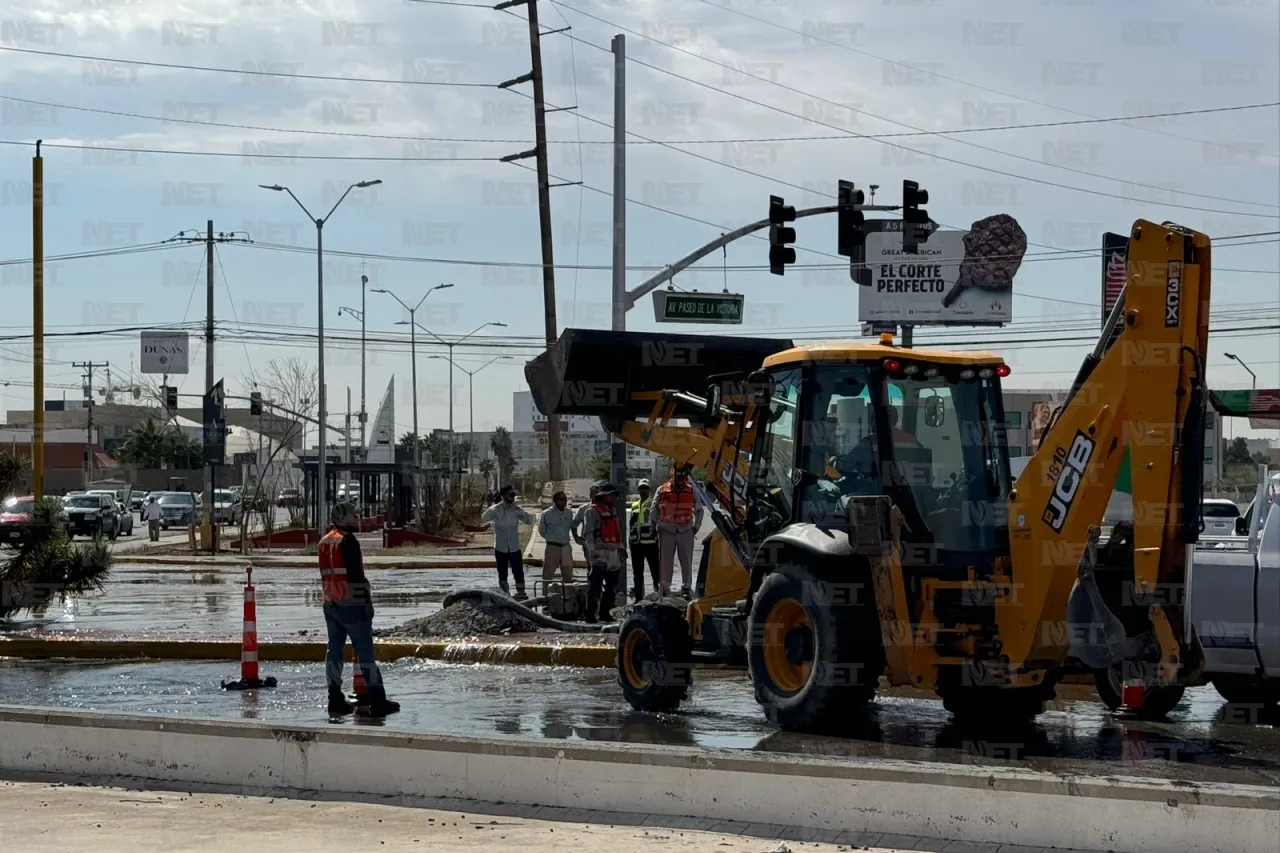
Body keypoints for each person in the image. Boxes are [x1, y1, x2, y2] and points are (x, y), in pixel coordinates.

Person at [317, 501, 399, 718]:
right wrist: (367, 604)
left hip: (330, 604)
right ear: (342, 518)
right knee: (365, 654)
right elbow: (356, 577)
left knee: (334, 652)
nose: (357, 518)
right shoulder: (348, 541)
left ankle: (334, 700)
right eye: (353, 515)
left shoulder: (324, 541)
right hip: (352, 604)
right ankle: (378, 700)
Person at [581, 481, 627, 623]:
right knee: (595, 586)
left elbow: (617, 533)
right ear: (603, 496)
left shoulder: (612, 512)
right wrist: (591, 553)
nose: (613, 498)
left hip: (613, 553)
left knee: (611, 586)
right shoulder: (592, 511)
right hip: (599, 554)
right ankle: (590, 615)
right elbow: (588, 534)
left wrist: (621, 549)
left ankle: (605, 613)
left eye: (614, 495)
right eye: (610, 495)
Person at [655, 465, 703, 599]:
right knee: (665, 560)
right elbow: (654, 509)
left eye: (683, 473)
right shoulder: (662, 489)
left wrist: (696, 527)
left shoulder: (691, 490)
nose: (681, 476)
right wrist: (654, 527)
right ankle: (664, 587)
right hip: (666, 530)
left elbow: (699, 510)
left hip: (685, 529)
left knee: (686, 560)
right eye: (678, 473)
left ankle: (686, 587)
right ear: (672, 473)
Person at [481, 485, 535, 598]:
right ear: (503, 495)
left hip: (514, 547)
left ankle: (521, 593)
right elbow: (483, 519)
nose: (513, 497)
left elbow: (530, 521)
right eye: (511, 495)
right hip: (501, 547)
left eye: (514, 495)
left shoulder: (516, 509)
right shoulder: (495, 510)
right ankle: (505, 594)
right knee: (502, 572)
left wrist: (520, 512)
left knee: (518, 571)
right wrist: (490, 509)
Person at [628, 479, 660, 601]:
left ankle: (658, 595)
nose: (643, 490)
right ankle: (638, 598)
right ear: (638, 490)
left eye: (645, 488)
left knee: (655, 572)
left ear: (649, 490)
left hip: (651, 543)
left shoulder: (653, 503)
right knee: (637, 573)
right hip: (636, 544)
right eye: (641, 488)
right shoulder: (634, 504)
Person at [538, 491, 575, 584]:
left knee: (568, 574)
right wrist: (550, 538)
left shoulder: (569, 513)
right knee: (548, 574)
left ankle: (567, 596)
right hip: (552, 547)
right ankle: (546, 596)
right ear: (555, 501)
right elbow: (542, 530)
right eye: (561, 499)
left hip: (566, 547)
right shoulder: (547, 514)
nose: (564, 502)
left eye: (565, 500)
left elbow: (573, 527)